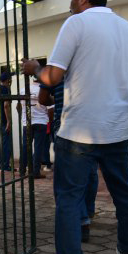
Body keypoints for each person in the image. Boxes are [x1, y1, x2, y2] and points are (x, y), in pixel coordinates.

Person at [22, 0, 128, 254]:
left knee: (69, 200)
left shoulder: (76, 25)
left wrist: (34, 68)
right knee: (124, 192)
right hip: (118, 130)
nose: (70, 3)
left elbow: (53, 76)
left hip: (78, 132)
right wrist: (119, 107)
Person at [40, 77, 99, 239]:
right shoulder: (92, 63)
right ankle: (88, 211)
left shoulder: (59, 63)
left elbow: (43, 98)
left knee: (70, 177)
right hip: (90, 124)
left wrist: (59, 99)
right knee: (90, 172)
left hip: (65, 124)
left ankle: (81, 220)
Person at [18, 61, 51, 178]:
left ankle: (22, 171)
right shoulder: (43, 89)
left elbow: (19, 106)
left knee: (25, 146)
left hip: (26, 121)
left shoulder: (23, 89)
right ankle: (35, 172)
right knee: (38, 148)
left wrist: (23, 116)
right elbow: (50, 107)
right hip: (41, 122)